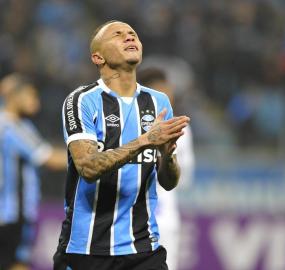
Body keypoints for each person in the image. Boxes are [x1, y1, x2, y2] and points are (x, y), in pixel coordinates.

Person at [53, 20, 190, 270]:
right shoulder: (81, 101)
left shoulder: (159, 102)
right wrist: (146, 140)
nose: (129, 37)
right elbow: (88, 167)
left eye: (132, 34)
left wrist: (167, 156)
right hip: (87, 249)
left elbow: (168, 183)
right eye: (118, 35)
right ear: (98, 57)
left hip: (144, 248)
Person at [0, 73, 67, 270]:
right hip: (11, 213)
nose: (35, 101)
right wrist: (93, 158)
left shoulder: (21, 125)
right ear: (14, 96)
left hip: (16, 212)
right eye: (31, 95)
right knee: (16, 263)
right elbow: (49, 159)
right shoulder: (10, 127)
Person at [138, 67, 195, 270]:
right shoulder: (181, 129)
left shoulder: (182, 128)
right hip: (159, 217)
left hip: (156, 217)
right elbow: (185, 178)